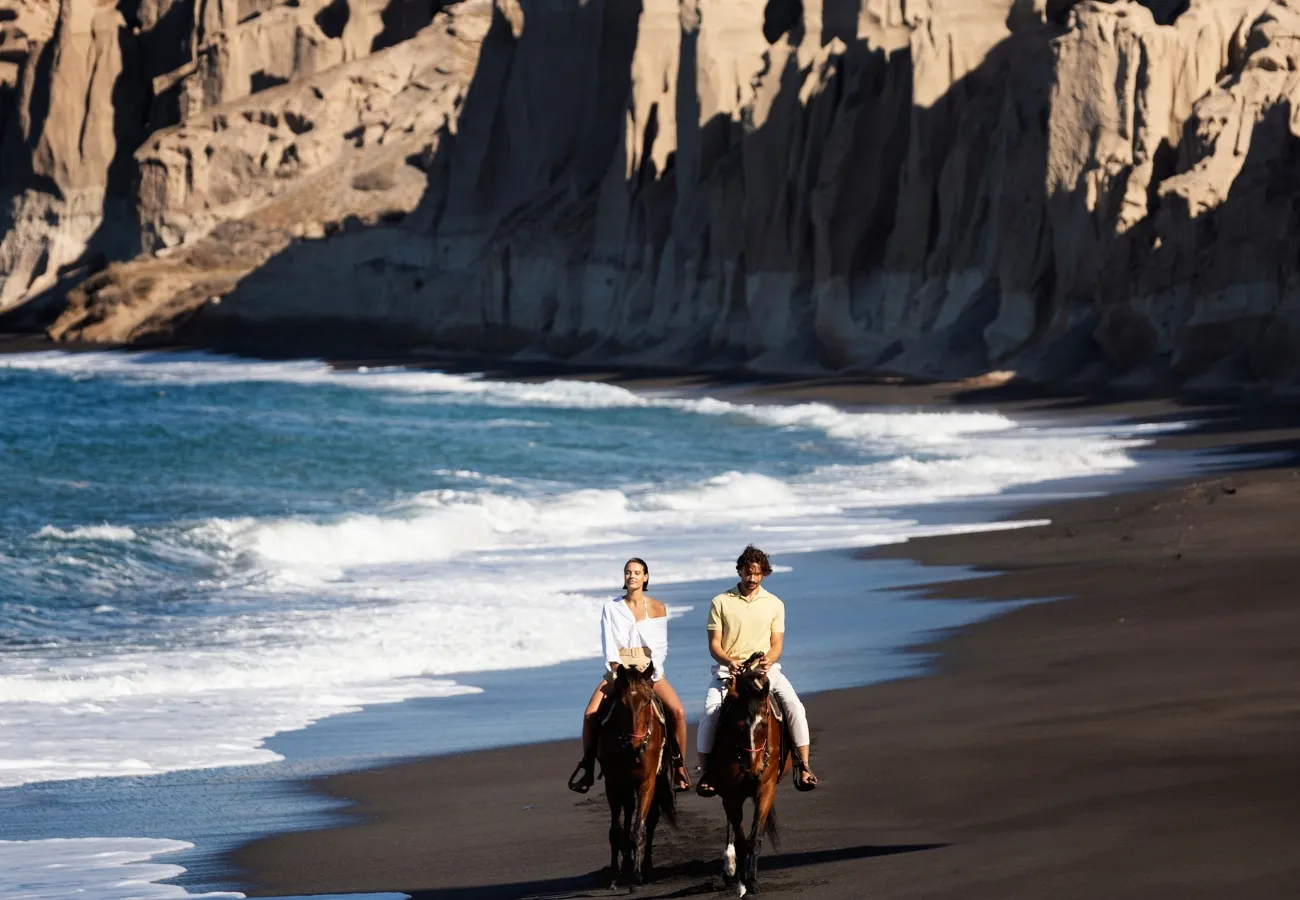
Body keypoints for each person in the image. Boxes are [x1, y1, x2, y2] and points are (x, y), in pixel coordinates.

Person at [694, 544, 819, 796]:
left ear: (764, 574)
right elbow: (714, 645)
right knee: (709, 712)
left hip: (765, 671)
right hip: (729, 672)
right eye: (747, 572)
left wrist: (769, 661)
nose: (752, 578)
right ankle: (707, 771)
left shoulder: (775, 604)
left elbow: (776, 646)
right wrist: (729, 661)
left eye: (757, 573)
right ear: (739, 571)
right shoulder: (720, 602)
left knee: (795, 707)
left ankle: (803, 765)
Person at [567, 557, 692, 793]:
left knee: (678, 711)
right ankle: (587, 767)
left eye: (637, 572)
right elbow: (609, 643)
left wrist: (651, 670)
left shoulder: (657, 607)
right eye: (628, 572)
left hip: (649, 670)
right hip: (620, 669)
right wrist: (616, 668)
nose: (632, 576)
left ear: (645, 577)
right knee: (590, 714)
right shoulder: (611, 607)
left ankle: (679, 767)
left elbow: (661, 647)